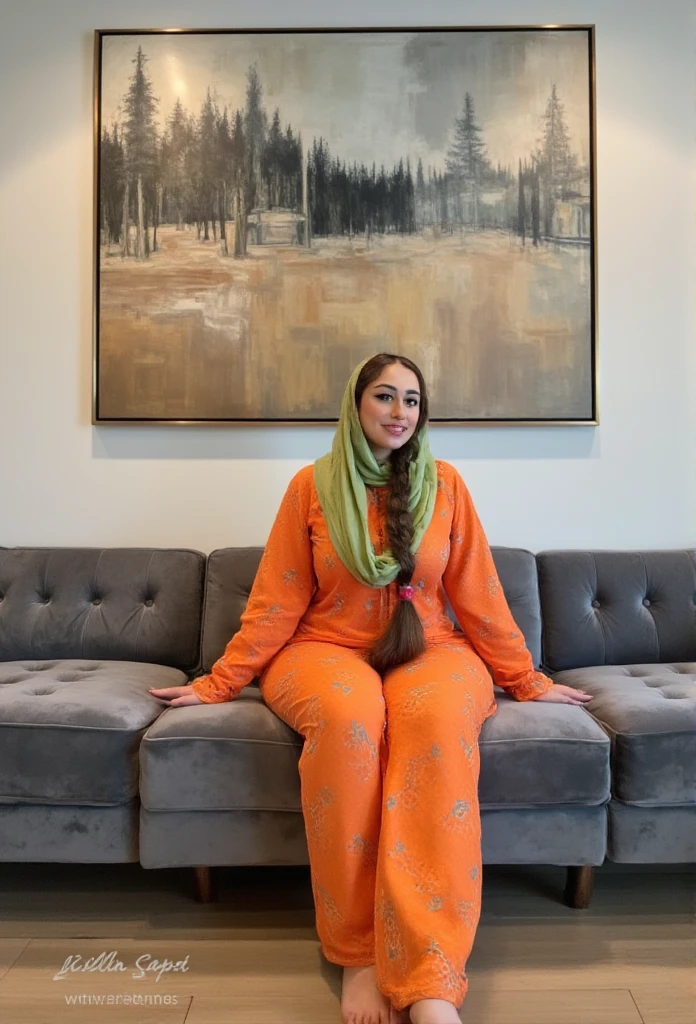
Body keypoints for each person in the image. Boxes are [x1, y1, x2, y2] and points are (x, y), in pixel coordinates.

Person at [150, 353, 592, 1024]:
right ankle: (358, 953)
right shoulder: (311, 487)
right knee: (351, 722)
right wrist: (218, 683)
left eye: (412, 400)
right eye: (384, 397)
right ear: (356, 405)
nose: (399, 412)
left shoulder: (445, 485)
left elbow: (479, 598)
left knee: (435, 724)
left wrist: (527, 682)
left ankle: (430, 976)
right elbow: (276, 602)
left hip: (434, 647)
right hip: (323, 647)